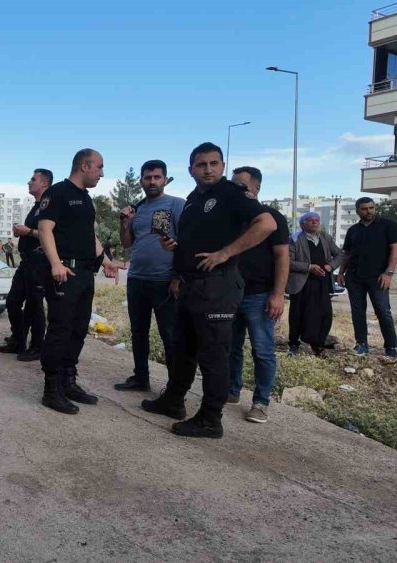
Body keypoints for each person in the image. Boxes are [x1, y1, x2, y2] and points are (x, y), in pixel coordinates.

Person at [141, 142, 277, 438]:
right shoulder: (193, 199)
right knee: (183, 349)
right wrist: (176, 249)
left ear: (223, 166)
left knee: (214, 355)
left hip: (218, 286)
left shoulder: (230, 194)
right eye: (201, 165)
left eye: (214, 163)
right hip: (191, 286)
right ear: (191, 169)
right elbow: (196, 239)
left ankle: (210, 419)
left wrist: (226, 253)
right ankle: (173, 401)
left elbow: (266, 224)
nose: (208, 169)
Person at [37, 149, 116, 415]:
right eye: (99, 167)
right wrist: (56, 263)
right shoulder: (58, 192)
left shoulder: (86, 199)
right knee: (60, 329)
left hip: (85, 275)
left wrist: (104, 259)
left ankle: (68, 381)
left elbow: (88, 236)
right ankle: (51, 389)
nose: (102, 173)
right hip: (64, 273)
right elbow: (45, 229)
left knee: (78, 329)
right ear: (84, 166)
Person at [114, 159, 186, 393]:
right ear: (142, 181)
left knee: (170, 334)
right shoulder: (138, 209)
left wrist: (178, 277)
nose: (152, 181)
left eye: (157, 177)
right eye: (147, 177)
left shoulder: (175, 205)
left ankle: (174, 387)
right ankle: (140, 377)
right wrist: (125, 224)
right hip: (137, 279)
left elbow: (186, 243)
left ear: (165, 179)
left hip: (165, 280)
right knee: (138, 332)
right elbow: (127, 243)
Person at [226, 166, 290, 424]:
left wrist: (278, 295)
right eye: (233, 186)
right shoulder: (230, 218)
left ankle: (261, 402)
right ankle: (231, 391)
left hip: (259, 296)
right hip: (230, 294)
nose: (237, 191)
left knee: (262, 351)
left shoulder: (272, 217)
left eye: (241, 186)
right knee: (231, 348)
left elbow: (282, 256)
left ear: (256, 188)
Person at [0, 168, 51, 362]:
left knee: (35, 304)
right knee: (13, 301)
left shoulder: (49, 205)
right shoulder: (37, 206)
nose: (29, 182)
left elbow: (52, 234)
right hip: (27, 262)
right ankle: (18, 340)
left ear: (44, 183)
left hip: (40, 263)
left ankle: (37, 346)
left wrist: (28, 231)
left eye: (33, 179)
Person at [338, 197, 397, 357]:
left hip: (378, 277)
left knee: (383, 311)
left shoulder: (388, 226)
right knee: (357, 312)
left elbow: (395, 249)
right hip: (355, 277)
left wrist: (389, 273)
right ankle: (361, 345)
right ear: (358, 210)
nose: (369, 211)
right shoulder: (353, 230)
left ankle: (391, 347)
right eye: (365, 209)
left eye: (371, 208)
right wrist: (340, 273)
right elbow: (347, 254)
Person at [288, 211, 344, 356]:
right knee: (298, 313)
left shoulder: (325, 237)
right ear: (303, 224)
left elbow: (340, 254)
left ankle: (318, 343)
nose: (314, 222)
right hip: (302, 283)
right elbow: (287, 261)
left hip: (322, 282)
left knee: (323, 313)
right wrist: (309, 267)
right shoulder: (295, 239)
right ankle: (294, 344)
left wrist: (331, 266)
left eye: (317, 220)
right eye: (310, 220)